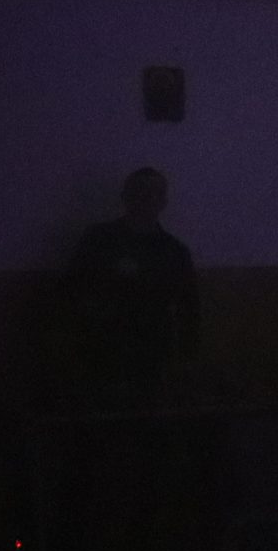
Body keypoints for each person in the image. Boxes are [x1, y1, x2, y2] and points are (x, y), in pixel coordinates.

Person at [64, 166, 199, 403]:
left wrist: (186, 357)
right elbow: (74, 291)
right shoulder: (99, 240)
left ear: (164, 201)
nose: (147, 198)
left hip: (153, 353)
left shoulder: (174, 251)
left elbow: (189, 308)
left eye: (155, 193)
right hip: (102, 350)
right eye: (140, 191)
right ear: (125, 196)